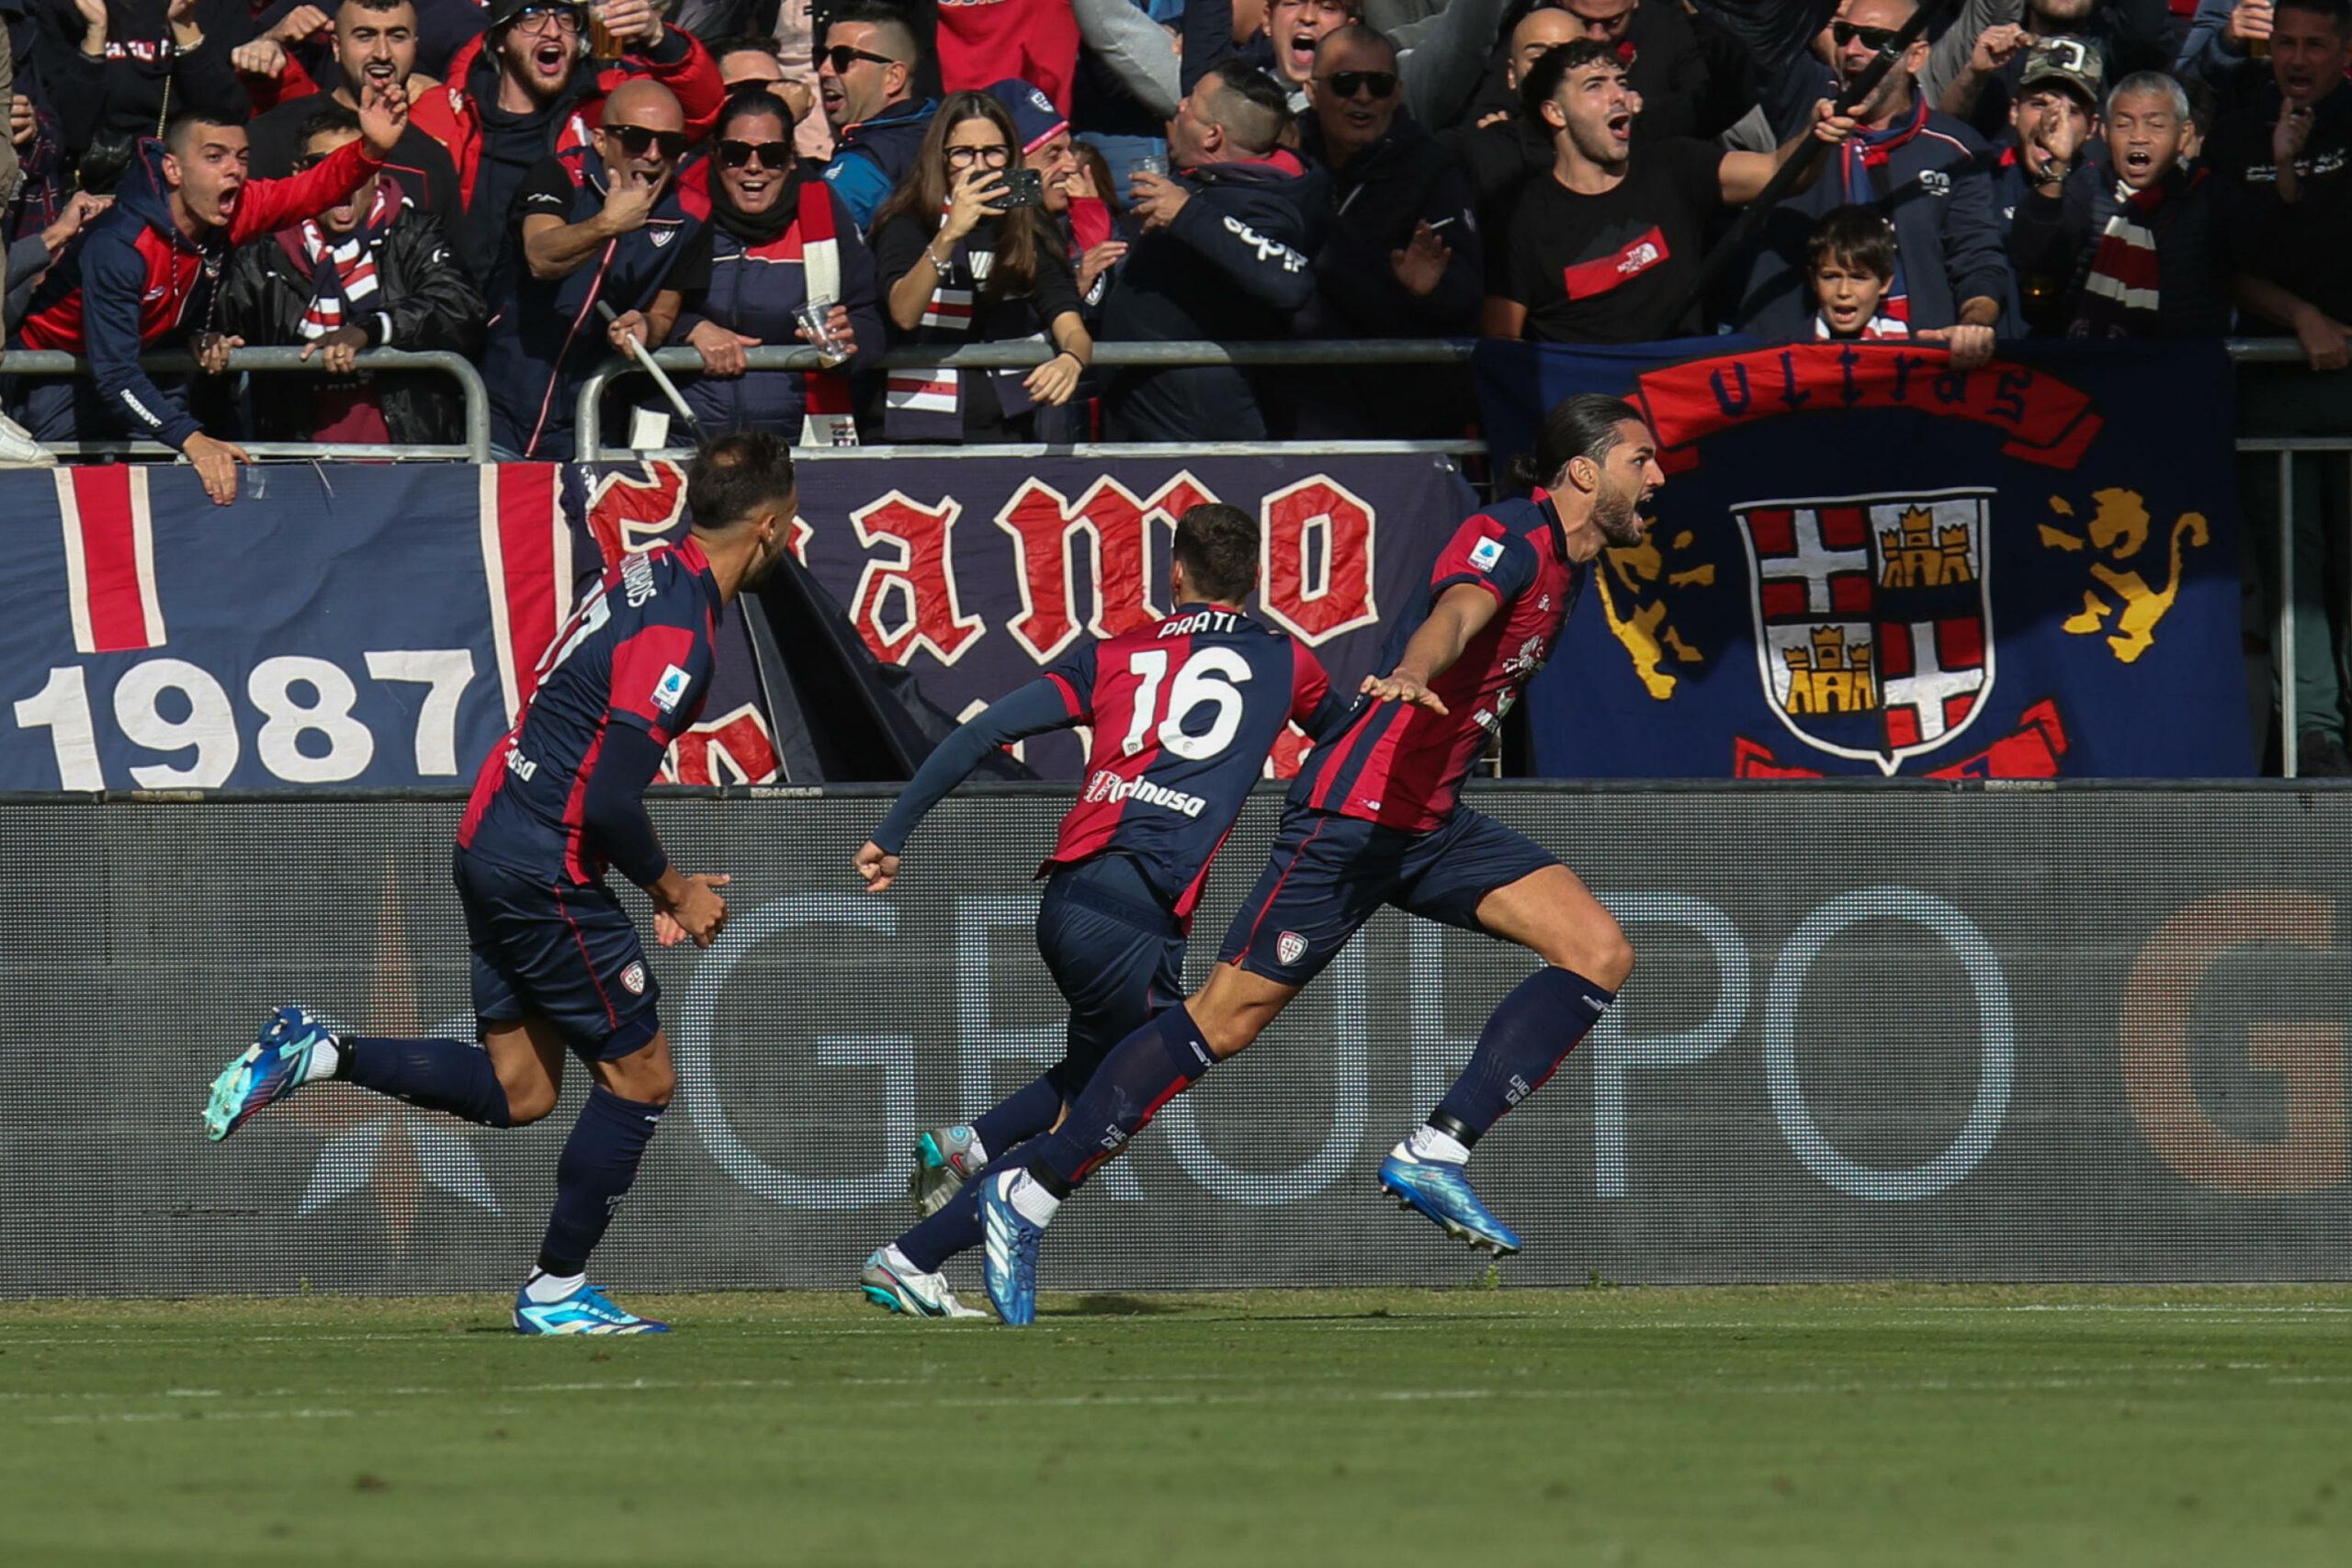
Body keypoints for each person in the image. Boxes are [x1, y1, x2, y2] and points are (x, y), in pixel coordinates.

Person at [967, 395, 1660, 1327]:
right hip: (1352, 813)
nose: (1654, 477)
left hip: (1428, 818)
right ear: (1583, 471)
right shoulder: (1509, 537)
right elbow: (1458, 614)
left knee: (1598, 950)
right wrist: (1417, 667)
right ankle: (1029, 1194)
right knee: (1225, 1020)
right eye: (1639, 461)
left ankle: (1437, 1150)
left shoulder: (1571, 569)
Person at [204, 434, 797, 1338]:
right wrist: (672, 889)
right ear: (763, 526)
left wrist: (647, 881)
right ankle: (557, 1289)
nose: (793, 539)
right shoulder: (681, 630)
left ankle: (323, 1053)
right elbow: (604, 796)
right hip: (543, 863)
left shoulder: (649, 570)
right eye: (791, 524)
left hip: (495, 835)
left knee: (523, 1091)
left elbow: (583, 747)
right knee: (642, 1078)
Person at [851, 502, 1350, 1319]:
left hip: (1070, 897)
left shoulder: (1117, 655)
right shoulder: (1288, 662)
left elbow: (983, 734)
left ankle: (969, 1145)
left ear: (1176, 575)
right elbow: (1346, 743)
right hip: (1137, 918)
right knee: (1133, 1088)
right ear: (1254, 581)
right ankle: (915, 1252)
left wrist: (893, 832)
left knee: (1102, 1071)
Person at [11, 83, 411, 502]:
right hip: (54, 378)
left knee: (174, 496)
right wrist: (191, 439)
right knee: (59, 503)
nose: (234, 170)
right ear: (173, 170)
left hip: (146, 370)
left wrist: (370, 150)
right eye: (214, 157)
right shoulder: (122, 243)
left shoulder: (232, 210)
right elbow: (114, 373)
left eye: (242, 158)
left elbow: (308, 191)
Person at [2202, 0, 2352, 772]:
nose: (2297, 59)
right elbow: (2229, 257)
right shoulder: (2237, 129)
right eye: (2285, 43)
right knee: (2295, 563)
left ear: (2344, 52)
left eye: (2315, 45)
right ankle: (2315, 732)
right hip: (2279, 375)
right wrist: (2301, 317)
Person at [1482, 39, 1855, 344]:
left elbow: (1779, 172)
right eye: (1595, 86)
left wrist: (1814, 134)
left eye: (1622, 83)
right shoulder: (1521, 214)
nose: (1619, 97)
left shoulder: (1674, 166)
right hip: (1588, 409)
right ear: (1555, 113)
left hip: (1679, 398)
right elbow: (1503, 341)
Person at [1728, 0, 2012, 362]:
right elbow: (1757, 27)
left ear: (1916, 57)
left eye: (1875, 39)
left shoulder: (1956, 149)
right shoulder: (1804, 106)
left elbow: (1978, 259)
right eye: (1845, 35)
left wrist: (1974, 325)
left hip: (1912, 369)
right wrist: (1810, 139)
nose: (1853, 50)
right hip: (1793, 366)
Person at [605, 84, 877, 445]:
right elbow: (630, 305)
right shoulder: (679, 207)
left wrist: (851, 338)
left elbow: (869, 316)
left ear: (792, 158)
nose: (754, 168)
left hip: (796, 443)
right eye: (736, 154)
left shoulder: (822, 208)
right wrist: (691, 329)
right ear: (716, 155)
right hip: (680, 437)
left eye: (772, 155)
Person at [212, 101, 485, 443]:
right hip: (297, 468)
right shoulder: (263, 256)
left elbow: (461, 308)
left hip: (411, 467)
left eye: (356, 164)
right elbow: (215, 325)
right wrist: (209, 341)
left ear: (376, 172)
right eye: (322, 165)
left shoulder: (414, 234)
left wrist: (372, 329)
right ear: (300, 174)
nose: (344, 180)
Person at [410, 0, 722, 281]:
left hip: (550, 317)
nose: (553, 32)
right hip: (452, 315)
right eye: (532, 16)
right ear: (499, 39)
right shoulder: (444, 111)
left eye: (566, 18)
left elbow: (700, 111)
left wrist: (660, 38)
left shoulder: (599, 111)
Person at [481, 75, 703, 458]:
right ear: (601, 141)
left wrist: (645, 328)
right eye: (636, 138)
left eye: (669, 143)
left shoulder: (692, 213)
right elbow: (540, 256)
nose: (652, 154)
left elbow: (665, 312)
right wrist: (607, 225)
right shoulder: (558, 174)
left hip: (591, 423)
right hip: (501, 410)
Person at [1100, 62, 1321, 441]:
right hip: (1139, 420)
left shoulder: (1264, 203)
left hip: (1199, 434)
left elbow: (1290, 283)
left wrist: (1187, 214)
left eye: (1192, 103)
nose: (1180, 105)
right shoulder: (1193, 184)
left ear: (1212, 136)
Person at [870, 89, 1092, 441]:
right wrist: (949, 235)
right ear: (939, 158)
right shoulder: (908, 220)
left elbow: (1068, 320)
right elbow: (904, 311)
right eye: (963, 153)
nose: (979, 166)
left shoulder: (1028, 223)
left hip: (1008, 423)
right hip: (919, 423)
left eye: (992, 152)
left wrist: (1071, 359)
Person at [1294, 25, 1479, 437]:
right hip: (1302, 397)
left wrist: (1428, 290)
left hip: (1402, 406)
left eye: (1378, 85)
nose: (1362, 97)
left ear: (1396, 94)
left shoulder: (1431, 168)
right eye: (1345, 84)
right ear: (1312, 90)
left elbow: (1466, 290)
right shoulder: (1286, 154)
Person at [2007, 70, 2235, 336]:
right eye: (2124, 124)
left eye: (2155, 125)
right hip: (2090, 367)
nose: (2139, 137)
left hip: (2182, 366)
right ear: (2104, 132)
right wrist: (2057, 167)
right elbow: (2031, 254)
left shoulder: (2208, 196)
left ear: (2184, 134)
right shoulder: (2085, 190)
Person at [243, 0, 461, 224]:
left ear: (415, 47)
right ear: (337, 47)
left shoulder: (432, 159)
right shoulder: (274, 135)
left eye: (397, 36)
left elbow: (454, 255)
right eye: (365, 36)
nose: (382, 53)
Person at [37, 0, 253, 161]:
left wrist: (185, 29)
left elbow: (228, 120)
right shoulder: (66, 7)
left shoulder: (216, 6)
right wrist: (95, 35)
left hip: (184, 178)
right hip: (93, 181)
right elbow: (65, 134)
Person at [1940, 0, 2176, 136]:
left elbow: (2144, 27)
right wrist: (1974, 74)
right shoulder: (2000, 53)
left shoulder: (2115, 56)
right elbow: (1944, 135)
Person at [817, 2, 934, 232]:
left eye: (842, 58)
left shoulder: (862, 166)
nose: (824, 70)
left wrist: (779, 124)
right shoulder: (940, 123)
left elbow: (809, 233)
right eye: (821, 55)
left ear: (893, 77)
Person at [1806, 202, 1907, 337]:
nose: (1843, 291)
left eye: (1858, 277)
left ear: (1884, 283)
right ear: (1813, 280)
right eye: (1830, 277)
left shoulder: (1911, 346)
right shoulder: (1786, 350)